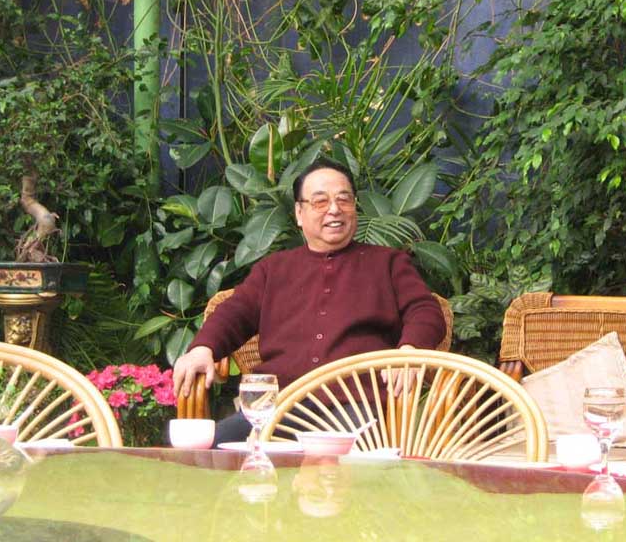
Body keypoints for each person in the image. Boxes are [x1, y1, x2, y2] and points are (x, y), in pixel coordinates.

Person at [172, 157, 446, 445]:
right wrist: (202, 348)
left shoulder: (388, 263)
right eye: (320, 201)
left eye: (344, 199)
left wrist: (409, 351)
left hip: (354, 404)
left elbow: (424, 309)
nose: (334, 209)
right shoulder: (273, 269)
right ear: (299, 213)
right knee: (207, 451)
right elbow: (235, 311)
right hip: (277, 404)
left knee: (348, 463)